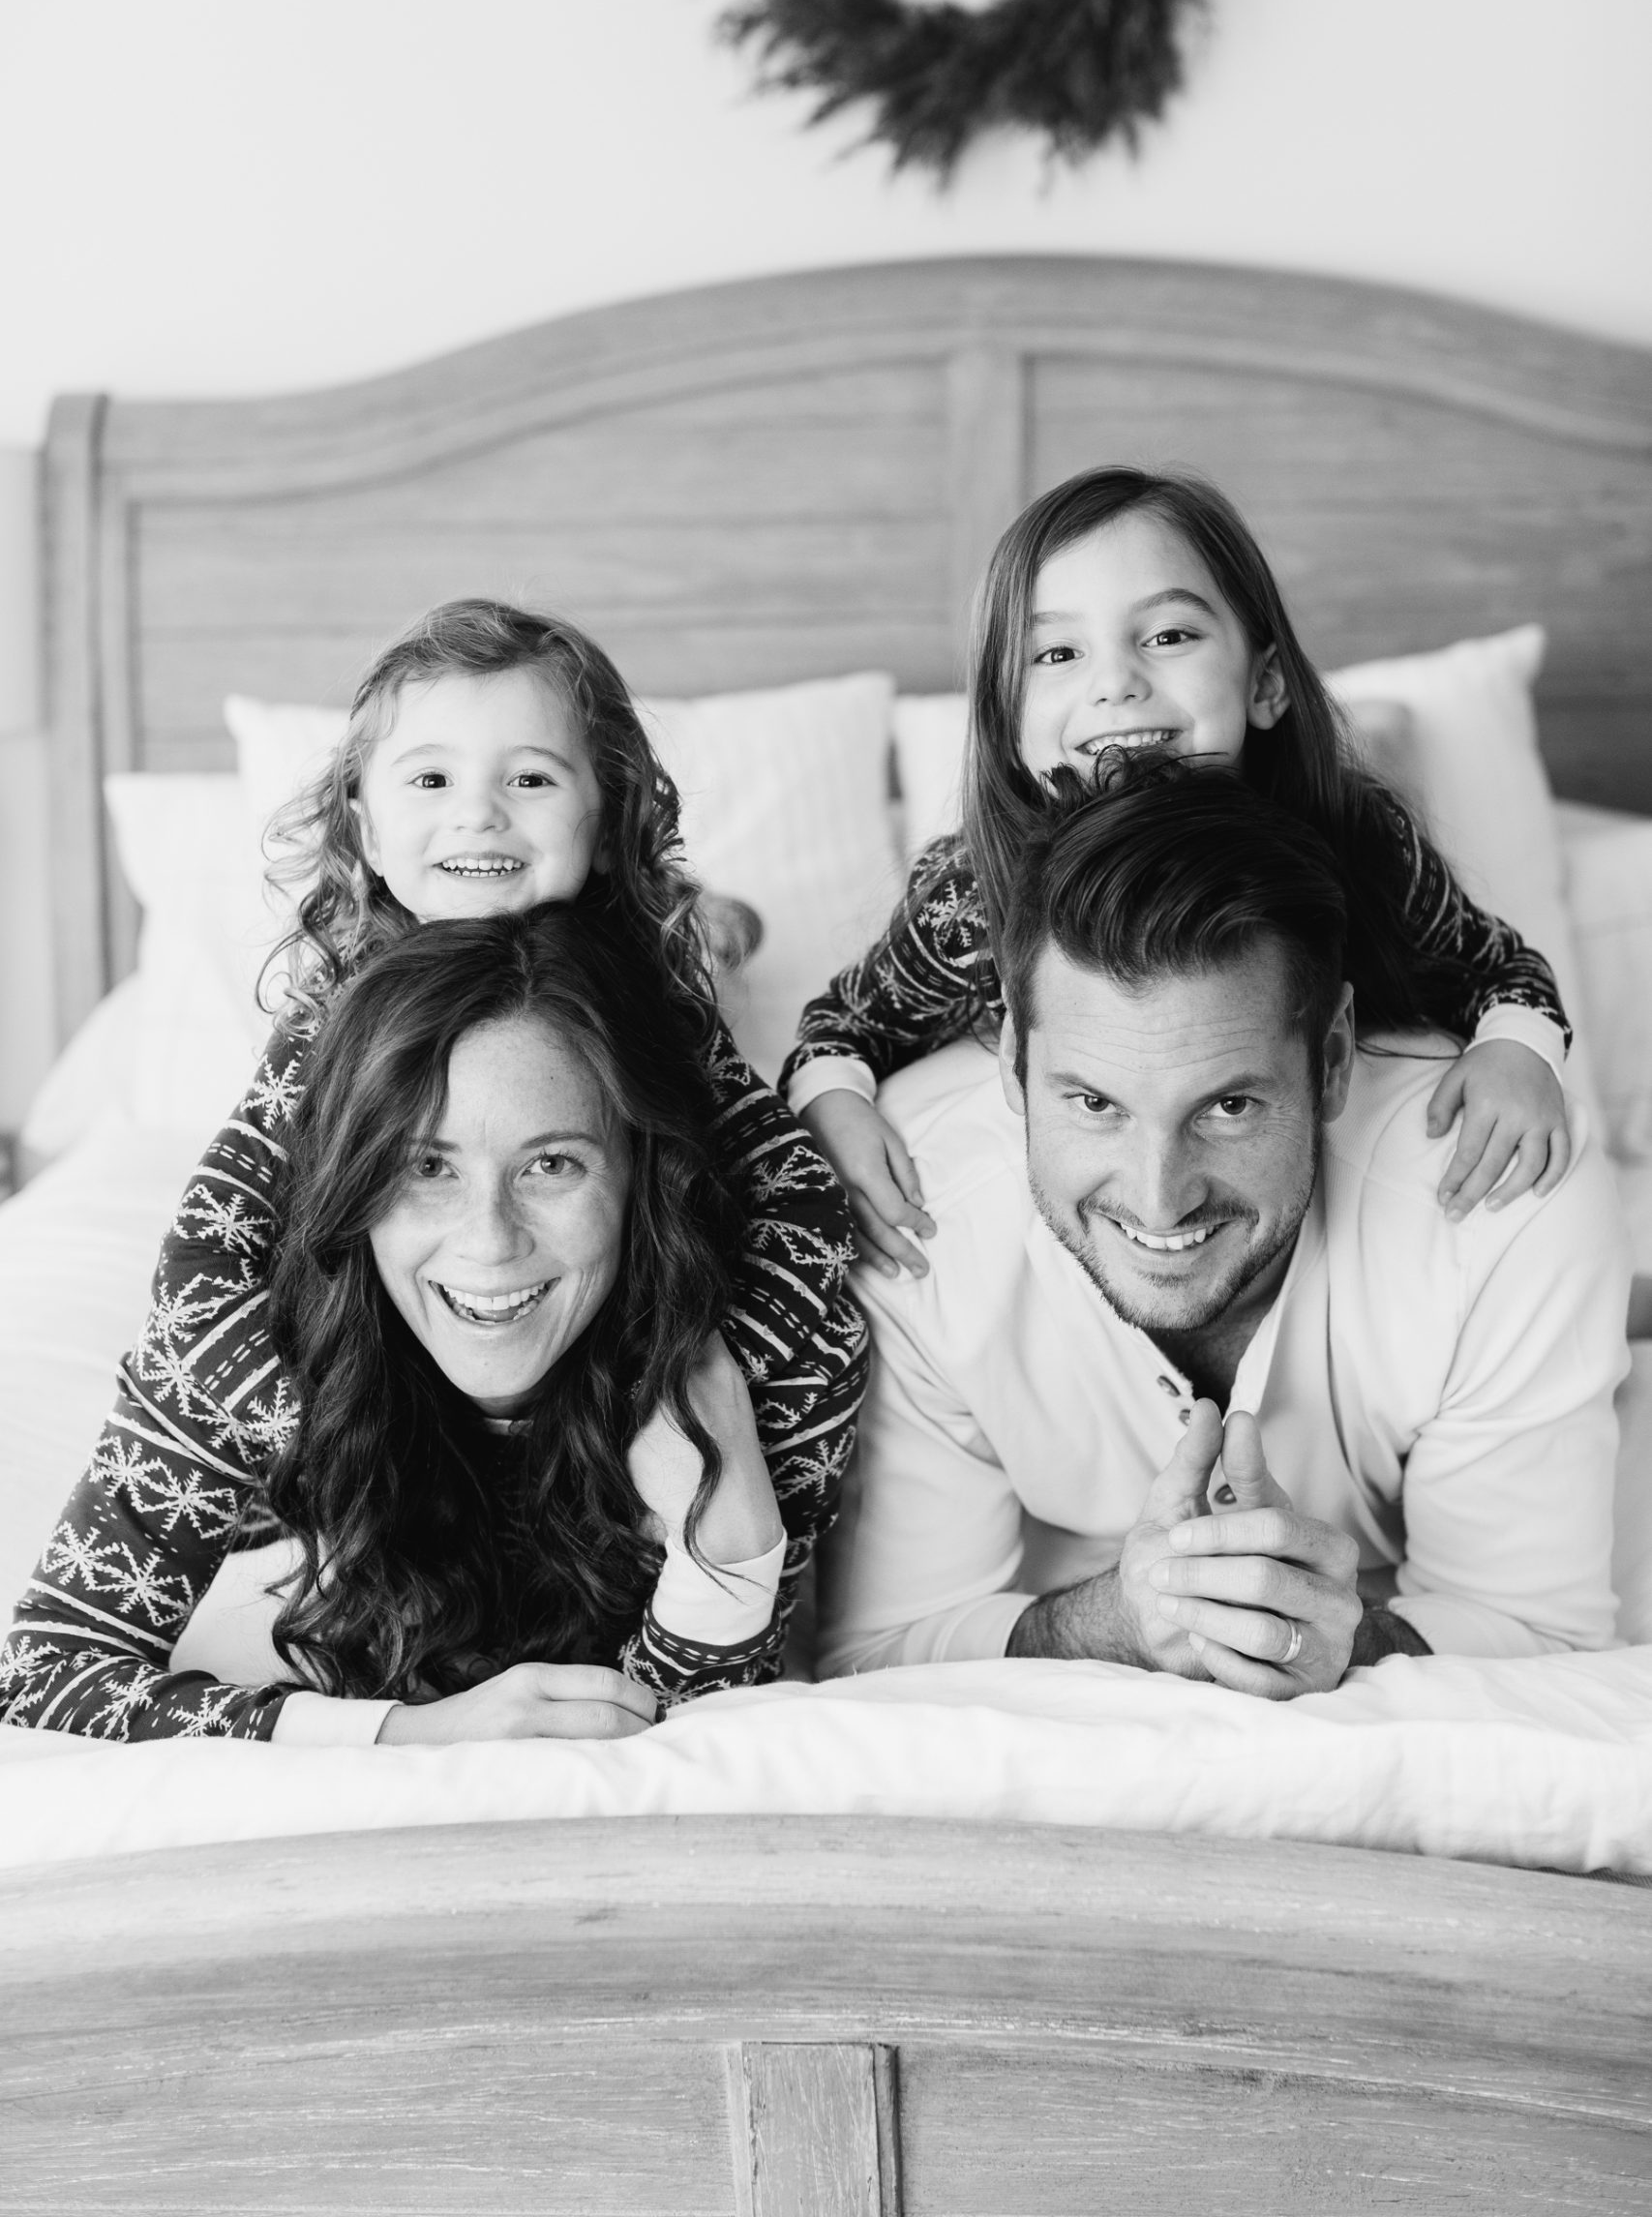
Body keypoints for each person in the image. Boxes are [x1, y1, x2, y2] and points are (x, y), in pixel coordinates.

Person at [0, 596, 866, 1735]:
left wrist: (726, 1415)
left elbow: (781, 1183)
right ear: (358, 819)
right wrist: (239, 1359)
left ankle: (727, 927)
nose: (480, 818)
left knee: (700, 962)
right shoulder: (328, 1021)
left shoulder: (655, 995)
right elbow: (225, 1216)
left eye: (532, 780)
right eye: (431, 781)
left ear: (607, 817)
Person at [818, 765, 1627, 1690]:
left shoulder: (1502, 1196)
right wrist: (1119, 1622)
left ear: (1329, 1060)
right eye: (1093, 1103)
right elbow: (878, 1654)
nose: (1160, 1199)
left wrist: (1347, 1638)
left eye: (1229, 1106)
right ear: (1010, 1060)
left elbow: (1541, 1640)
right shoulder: (901, 1210)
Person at [2, 907, 821, 1742]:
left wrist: (731, 1539)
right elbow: (44, 1676)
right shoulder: (245, 1361)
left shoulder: (771, 1349)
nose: (489, 1242)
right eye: (427, 1166)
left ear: (638, 1181)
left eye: (552, 1164)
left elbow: (698, 1728)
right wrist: (401, 1734)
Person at [782, 467, 1574, 1279]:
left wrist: (1519, 1052)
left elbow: (1496, 968)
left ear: (1264, 682)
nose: (1116, 682)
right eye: (1057, 652)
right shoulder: (969, 899)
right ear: (1007, 719)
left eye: (1167, 636)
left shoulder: (1357, 840)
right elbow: (844, 1024)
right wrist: (832, 1105)